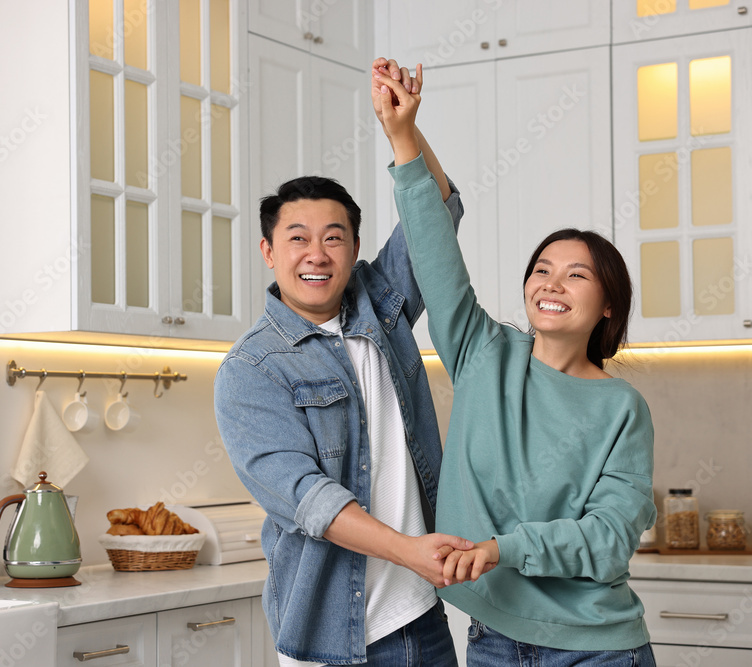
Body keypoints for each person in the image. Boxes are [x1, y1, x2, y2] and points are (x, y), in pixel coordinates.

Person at [373, 59, 657, 665]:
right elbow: (433, 246)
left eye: (577, 275)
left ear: (608, 305)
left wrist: (503, 549)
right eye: (542, 270)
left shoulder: (621, 409)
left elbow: (608, 542)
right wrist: (403, 135)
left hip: (597, 649)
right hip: (493, 641)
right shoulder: (483, 352)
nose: (552, 283)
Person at [214, 62, 473, 666]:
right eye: (297, 238)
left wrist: (401, 129)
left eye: (334, 237)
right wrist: (409, 551)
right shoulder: (252, 369)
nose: (316, 254)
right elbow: (309, 499)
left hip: (418, 620)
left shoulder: (378, 306)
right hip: (331, 636)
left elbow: (437, 220)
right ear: (268, 251)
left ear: (355, 249)